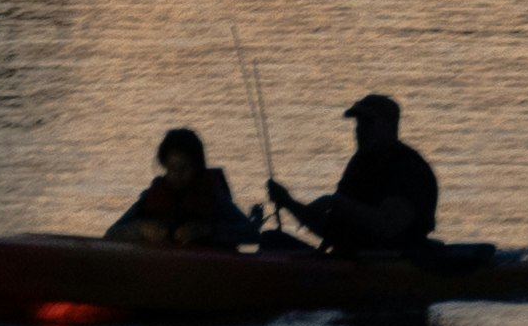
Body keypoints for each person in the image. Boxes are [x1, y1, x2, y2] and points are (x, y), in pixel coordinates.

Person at [267, 92, 440, 256]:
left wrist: (335, 202)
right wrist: (288, 202)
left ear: (389, 125)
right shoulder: (361, 163)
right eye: (358, 123)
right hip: (349, 260)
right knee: (272, 240)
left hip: (389, 264)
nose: (359, 130)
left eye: (367, 122)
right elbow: (331, 229)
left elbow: (389, 226)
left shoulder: (407, 167)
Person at [105, 126, 250, 248]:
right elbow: (111, 233)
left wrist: (206, 230)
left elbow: (250, 233)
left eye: (184, 168)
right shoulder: (152, 196)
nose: (177, 175)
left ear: (197, 167)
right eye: (172, 168)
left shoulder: (214, 196)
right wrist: (140, 228)